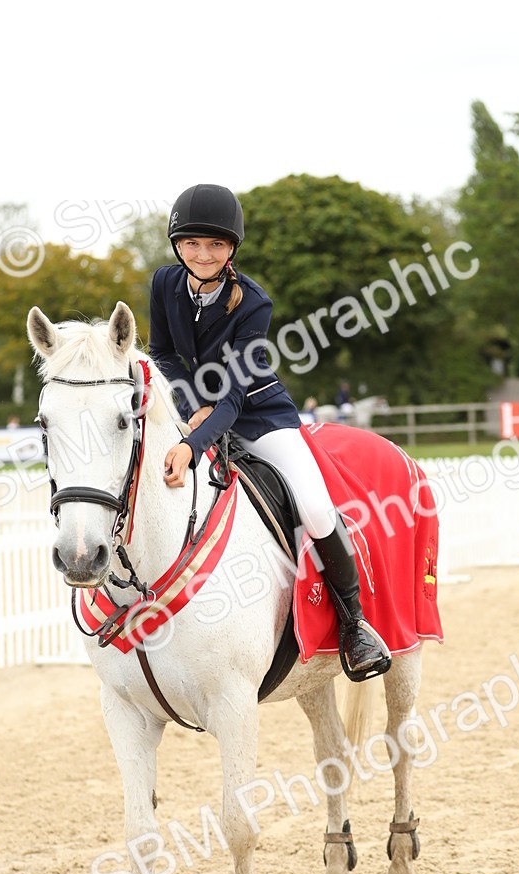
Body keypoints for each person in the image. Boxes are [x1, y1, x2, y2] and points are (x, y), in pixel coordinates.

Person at [148, 183, 391, 680]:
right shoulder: (163, 283)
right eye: (192, 243)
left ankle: (354, 624)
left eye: (215, 245)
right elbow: (165, 354)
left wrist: (194, 443)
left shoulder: (253, 302)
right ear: (177, 245)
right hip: (193, 409)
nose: (203, 254)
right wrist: (193, 409)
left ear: (232, 247)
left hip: (260, 414)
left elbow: (235, 396)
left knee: (315, 506)